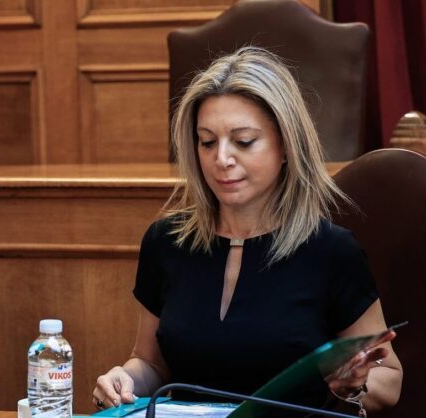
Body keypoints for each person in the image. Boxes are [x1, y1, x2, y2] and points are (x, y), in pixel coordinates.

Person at [92, 46, 402, 414]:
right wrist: (124, 379)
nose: (221, 159)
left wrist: (355, 383)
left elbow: (389, 378)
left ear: (285, 145)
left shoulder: (331, 251)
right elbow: (151, 364)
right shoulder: (166, 242)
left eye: (243, 142)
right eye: (207, 142)